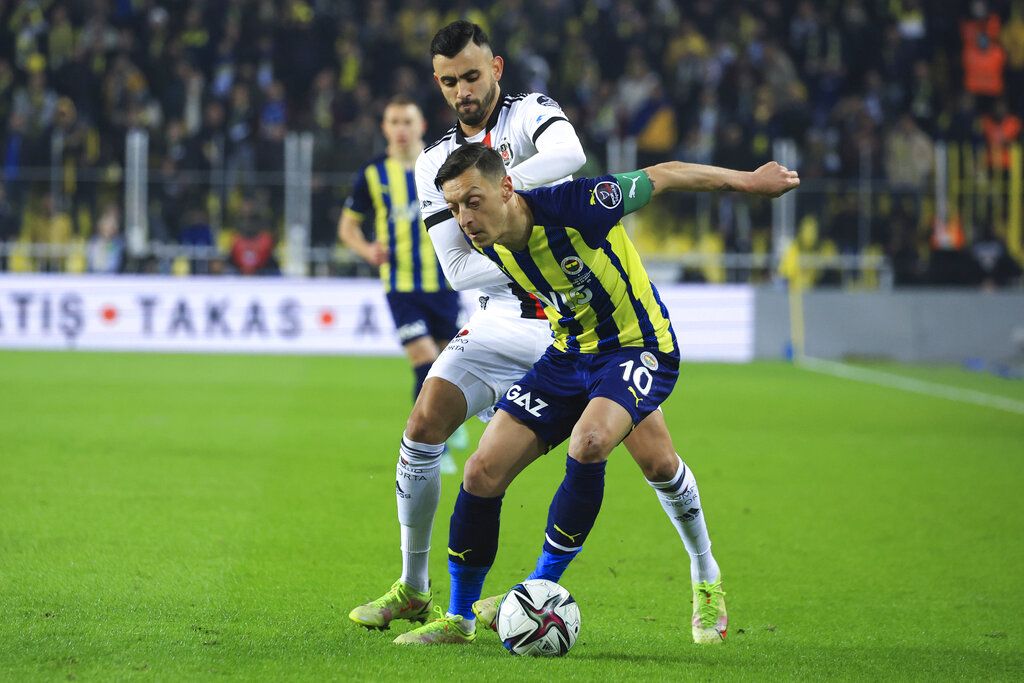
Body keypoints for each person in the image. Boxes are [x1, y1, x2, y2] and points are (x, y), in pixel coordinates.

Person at [348, 21, 729, 645]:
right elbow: (457, 266)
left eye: (472, 76)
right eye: (449, 82)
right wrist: (510, 236)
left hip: (581, 319)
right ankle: (418, 589)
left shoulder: (532, 113)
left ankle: (704, 571)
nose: (463, 91)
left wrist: (503, 194)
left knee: (657, 460)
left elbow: (570, 157)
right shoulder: (432, 164)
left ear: (495, 67)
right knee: (423, 429)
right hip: (504, 318)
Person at [393, 144, 798, 647]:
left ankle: (684, 576)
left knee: (598, 446)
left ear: (506, 187)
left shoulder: (580, 205)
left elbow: (664, 173)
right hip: (567, 354)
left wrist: (749, 181)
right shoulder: (486, 241)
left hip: (638, 347)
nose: (463, 219)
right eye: (453, 207)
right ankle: (459, 619)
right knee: (480, 471)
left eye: (472, 202)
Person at [338, 96, 463, 476]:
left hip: (444, 283)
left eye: (408, 121)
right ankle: (429, 448)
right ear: (385, 128)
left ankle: (446, 427)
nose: (401, 129)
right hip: (401, 286)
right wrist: (366, 249)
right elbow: (347, 228)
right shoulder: (373, 174)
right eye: (394, 121)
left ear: (422, 125)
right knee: (426, 365)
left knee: (447, 367)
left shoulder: (444, 167)